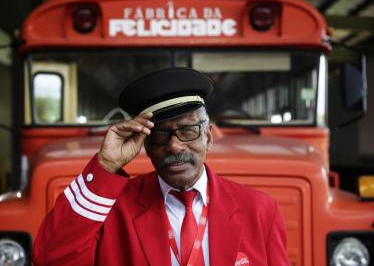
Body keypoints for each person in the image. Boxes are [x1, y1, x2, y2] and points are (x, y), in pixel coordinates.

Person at [33, 68, 290, 266]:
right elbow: (50, 258)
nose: (175, 147)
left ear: (208, 137)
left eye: (188, 131)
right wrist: (106, 165)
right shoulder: (110, 209)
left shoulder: (259, 209)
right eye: (160, 135)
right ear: (145, 144)